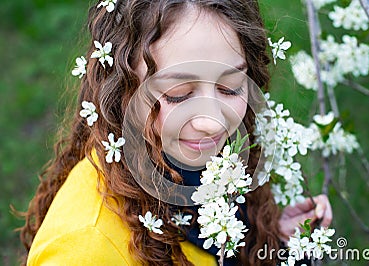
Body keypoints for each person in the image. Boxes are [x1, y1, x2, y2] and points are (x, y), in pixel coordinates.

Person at [20, 0, 332, 265]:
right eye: (179, 94)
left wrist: (269, 244)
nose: (211, 123)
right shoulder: (86, 248)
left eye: (230, 86)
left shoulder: (188, 165)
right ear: (122, 89)